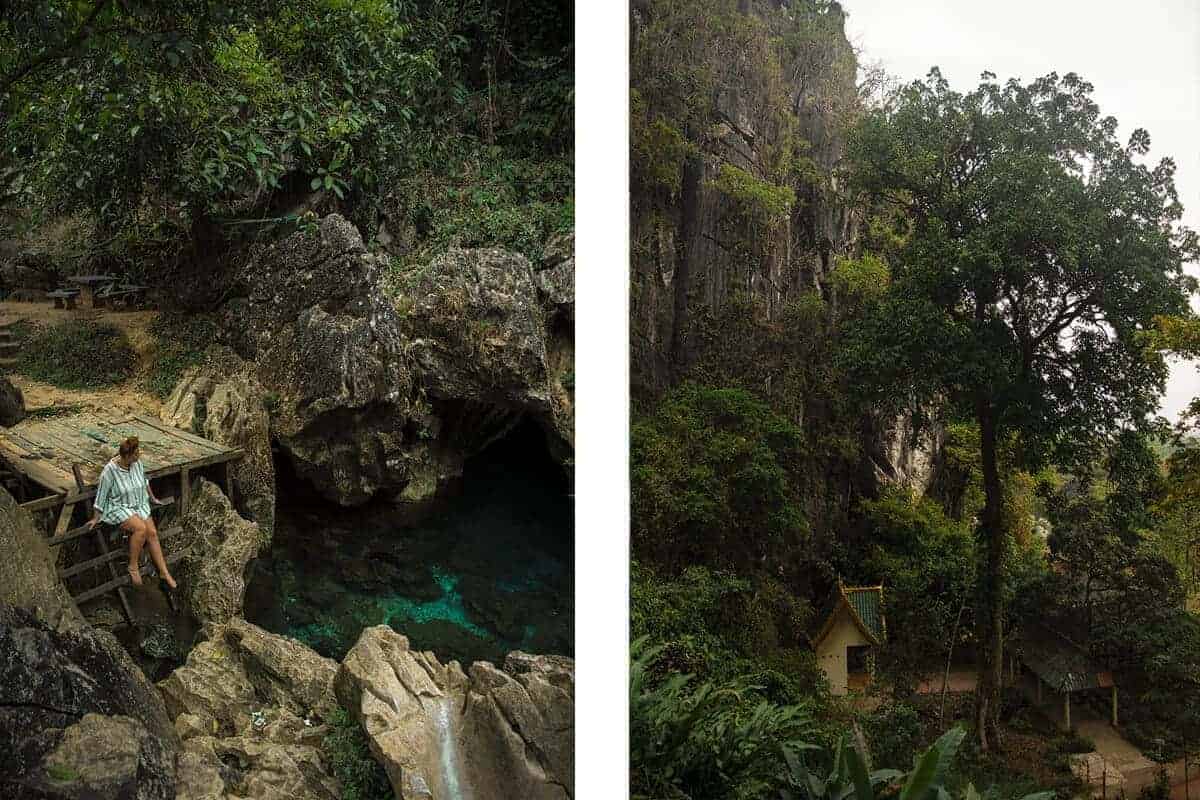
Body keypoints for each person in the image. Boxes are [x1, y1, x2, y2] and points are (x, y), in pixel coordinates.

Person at [87, 436, 177, 589]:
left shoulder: (137, 464)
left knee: (152, 532)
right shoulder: (110, 471)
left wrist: (153, 498)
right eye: (136, 454)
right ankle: (133, 566)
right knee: (140, 528)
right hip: (119, 506)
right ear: (127, 456)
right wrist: (96, 517)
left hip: (138, 503)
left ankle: (164, 572)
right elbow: (102, 494)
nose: (139, 455)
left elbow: (144, 482)